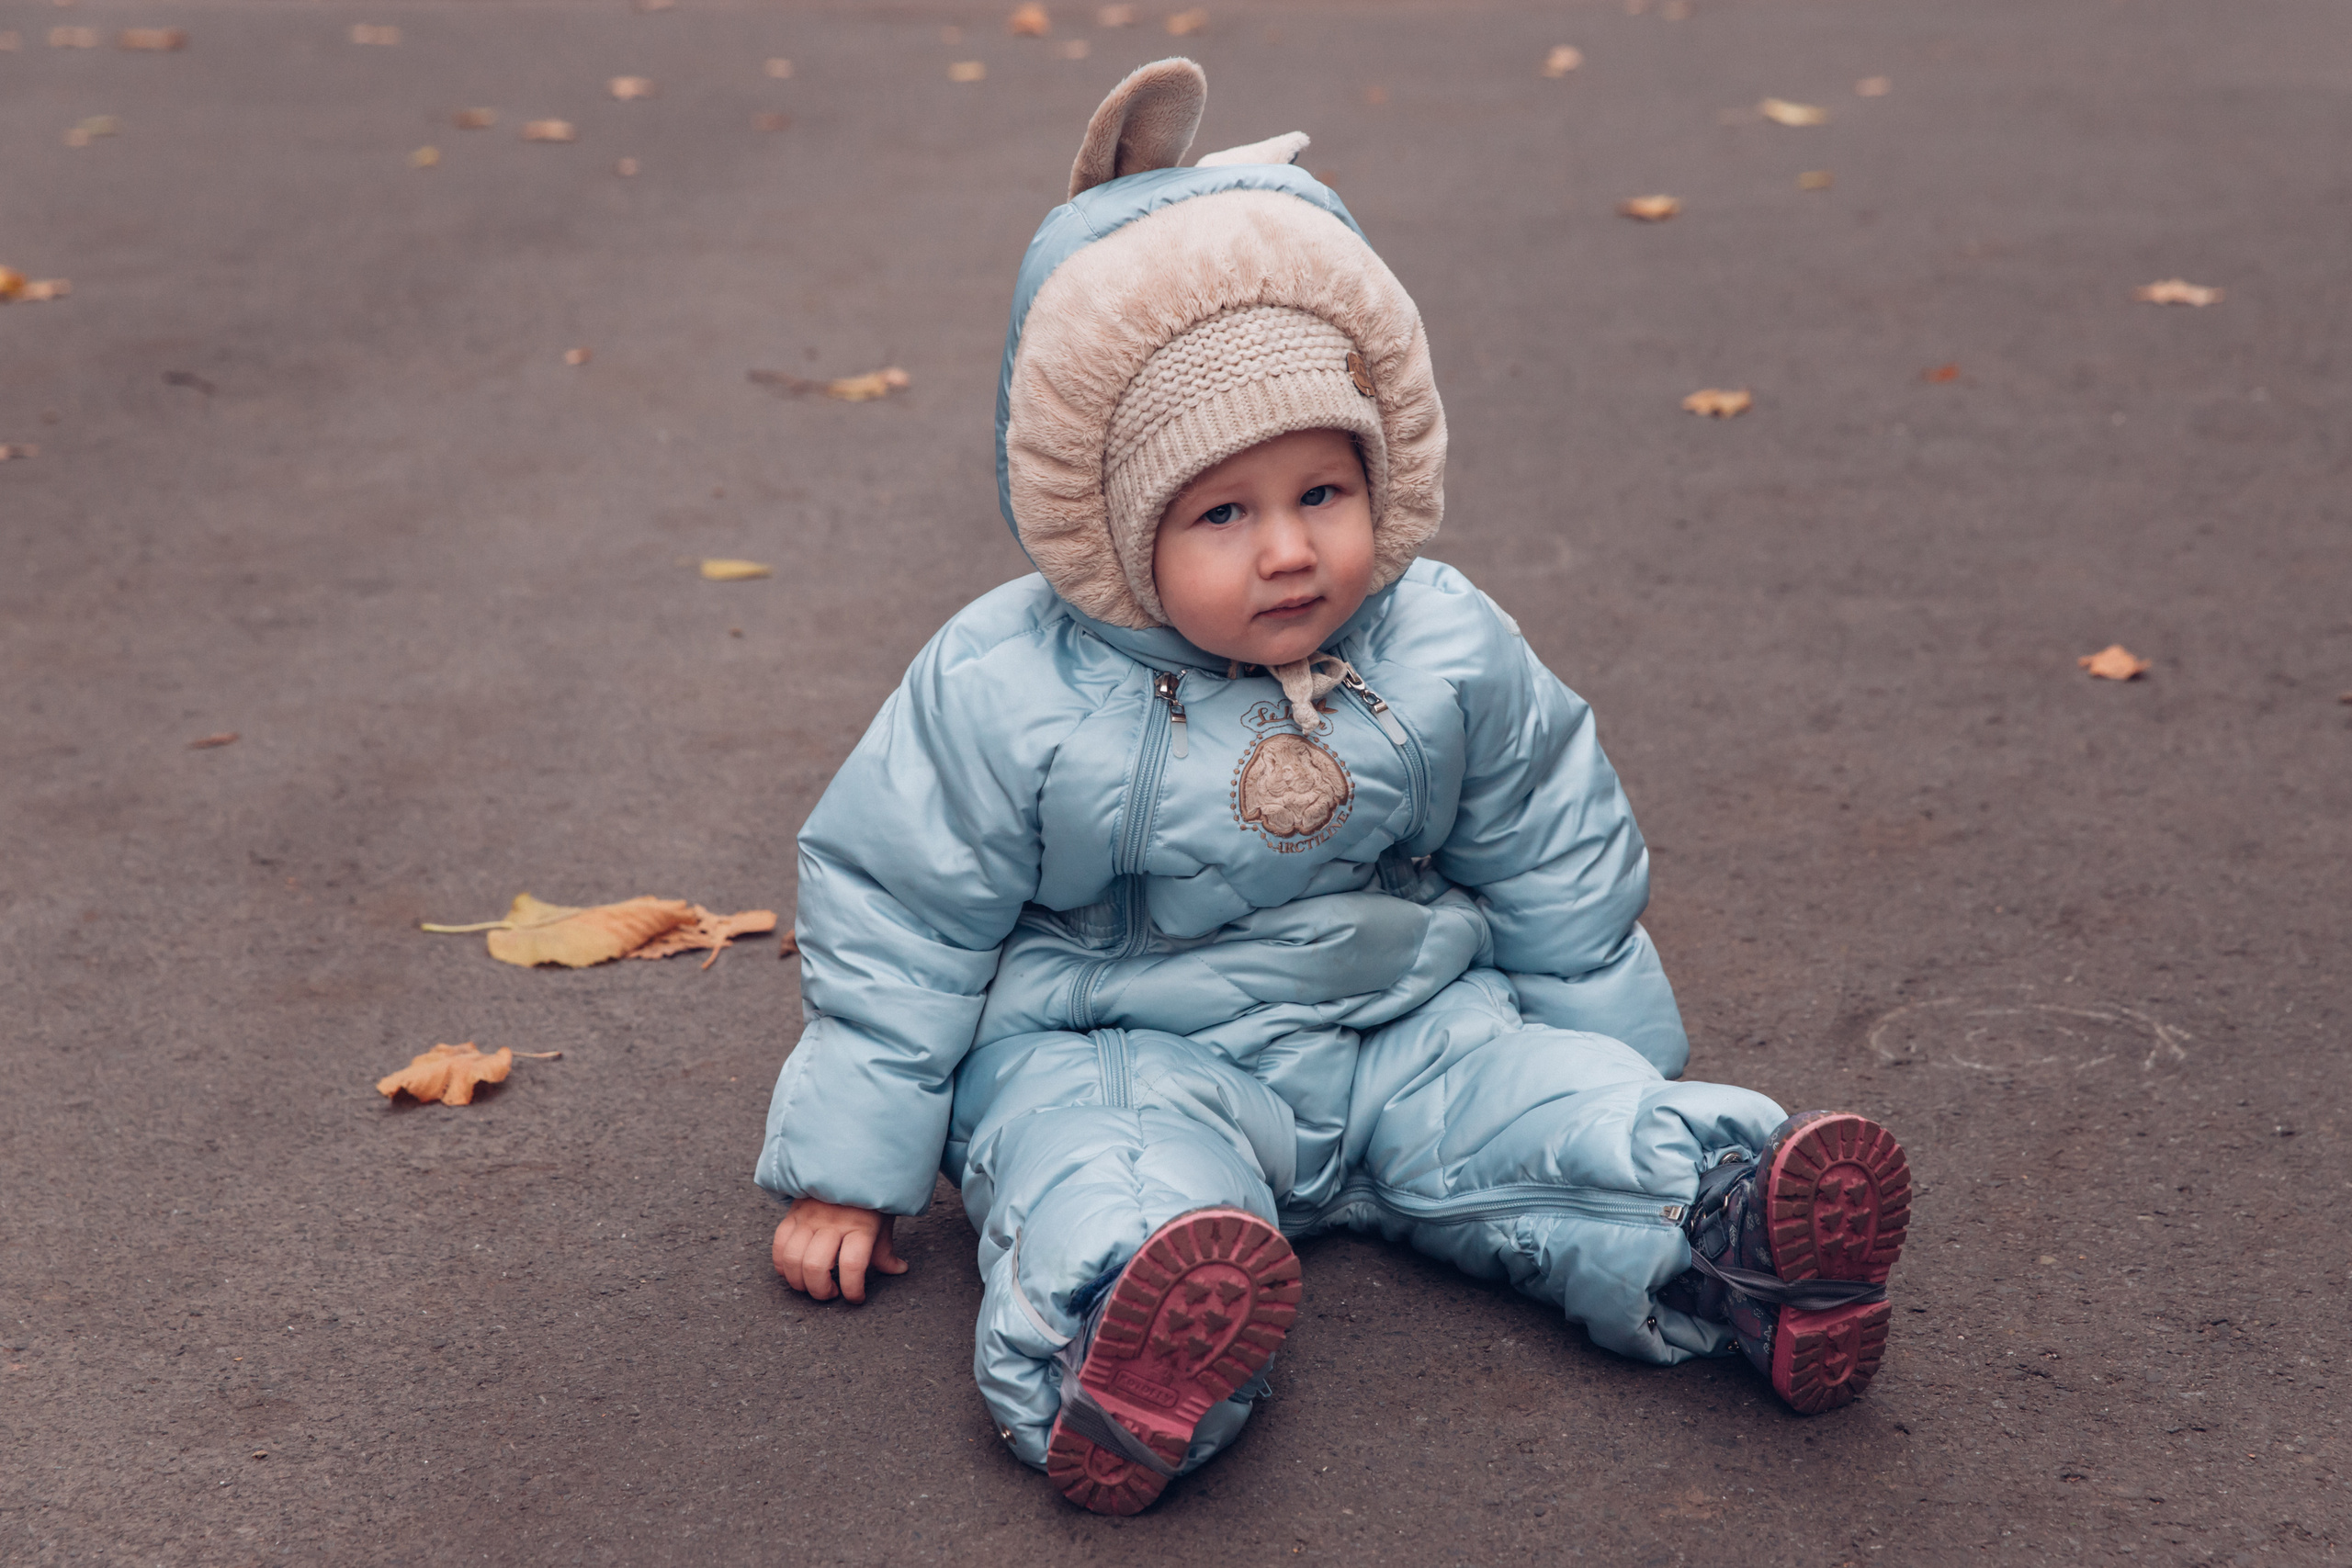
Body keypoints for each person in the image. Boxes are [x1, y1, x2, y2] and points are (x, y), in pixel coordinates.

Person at [756, 60, 1909, 1516]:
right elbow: (901, 909)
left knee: (1535, 1107)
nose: (1289, 551)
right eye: (1224, 514)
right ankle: (1129, 1342)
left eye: (1322, 494)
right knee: (1097, 1161)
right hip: (1125, 1037)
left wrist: (1619, 1054)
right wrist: (851, 1165)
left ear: (1381, 474)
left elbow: (1552, 843)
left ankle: (1734, 1229)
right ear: (1121, 529)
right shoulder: (1009, 686)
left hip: (1399, 1023)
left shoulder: (1439, 642)